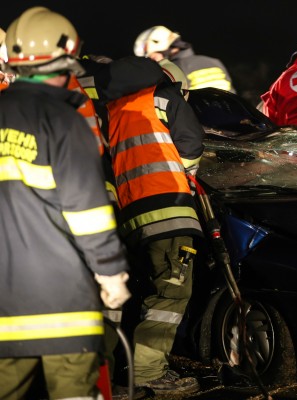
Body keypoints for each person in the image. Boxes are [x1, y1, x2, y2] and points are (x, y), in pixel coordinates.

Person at [0, 6, 131, 399]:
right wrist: (111, 274)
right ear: (68, 55)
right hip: (63, 303)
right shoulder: (63, 119)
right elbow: (86, 210)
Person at [92, 54, 205, 396]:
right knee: (170, 293)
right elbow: (191, 143)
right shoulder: (164, 96)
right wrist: (187, 175)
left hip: (130, 217)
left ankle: (110, 373)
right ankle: (147, 371)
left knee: (133, 295)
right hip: (169, 209)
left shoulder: (112, 109)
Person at [133, 25, 236, 93]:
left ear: (160, 46)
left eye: (153, 56)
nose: (154, 61)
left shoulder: (172, 70)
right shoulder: (214, 61)